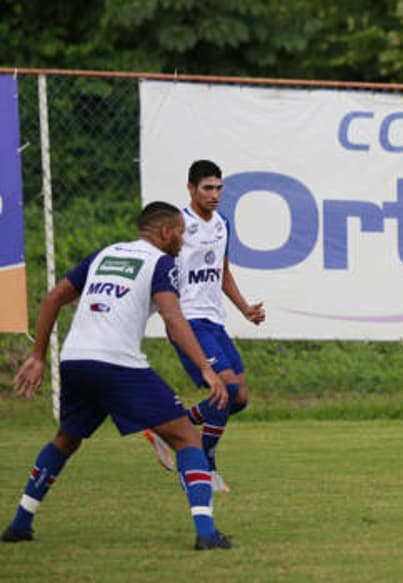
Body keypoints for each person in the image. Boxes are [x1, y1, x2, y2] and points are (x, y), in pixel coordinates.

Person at [3, 202, 232, 550]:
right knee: (187, 438)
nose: (183, 242)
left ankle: (20, 524)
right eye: (181, 235)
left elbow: (52, 298)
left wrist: (37, 357)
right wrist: (205, 367)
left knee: (66, 439)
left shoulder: (104, 254)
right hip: (118, 364)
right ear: (166, 232)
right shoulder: (161, 262)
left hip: (75, 361)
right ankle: (207, 533)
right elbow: (173, 318)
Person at [145, 160, 264, 493]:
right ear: (191, 189)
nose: (214, 194)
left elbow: (222, 273)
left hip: (214, 322)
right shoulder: (178, 225)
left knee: (240, 398)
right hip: (187, 320)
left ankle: (168, 428)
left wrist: (245, 309)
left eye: (218, 187)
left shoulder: (223, 224)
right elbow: (155, 267)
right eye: (207, 188)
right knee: (225, 391)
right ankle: (207, 465)